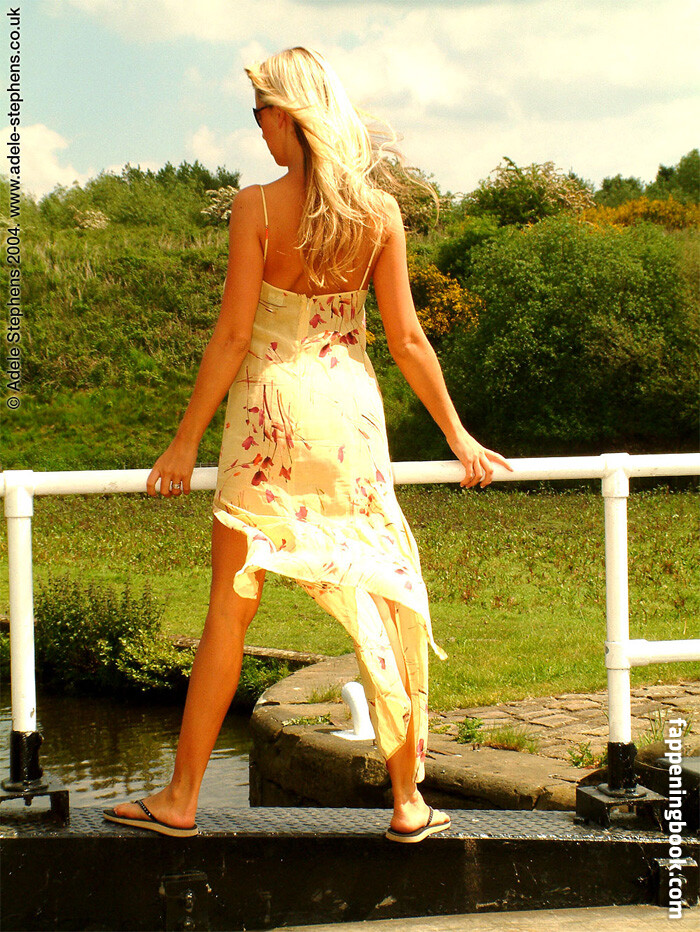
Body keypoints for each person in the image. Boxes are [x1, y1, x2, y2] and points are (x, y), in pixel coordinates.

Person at [103, 46, 511, 843]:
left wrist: (183, 445)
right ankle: (407, 800)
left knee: (230, 613)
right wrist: (458, 436)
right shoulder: (378, 213)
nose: (257, 130)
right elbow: (408, 340)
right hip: (351, 421)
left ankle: (181, 799)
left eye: (260, 114)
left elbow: (232, 336)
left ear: (288, 115)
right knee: (380, 596)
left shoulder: (255, 208)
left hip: (268, 416)